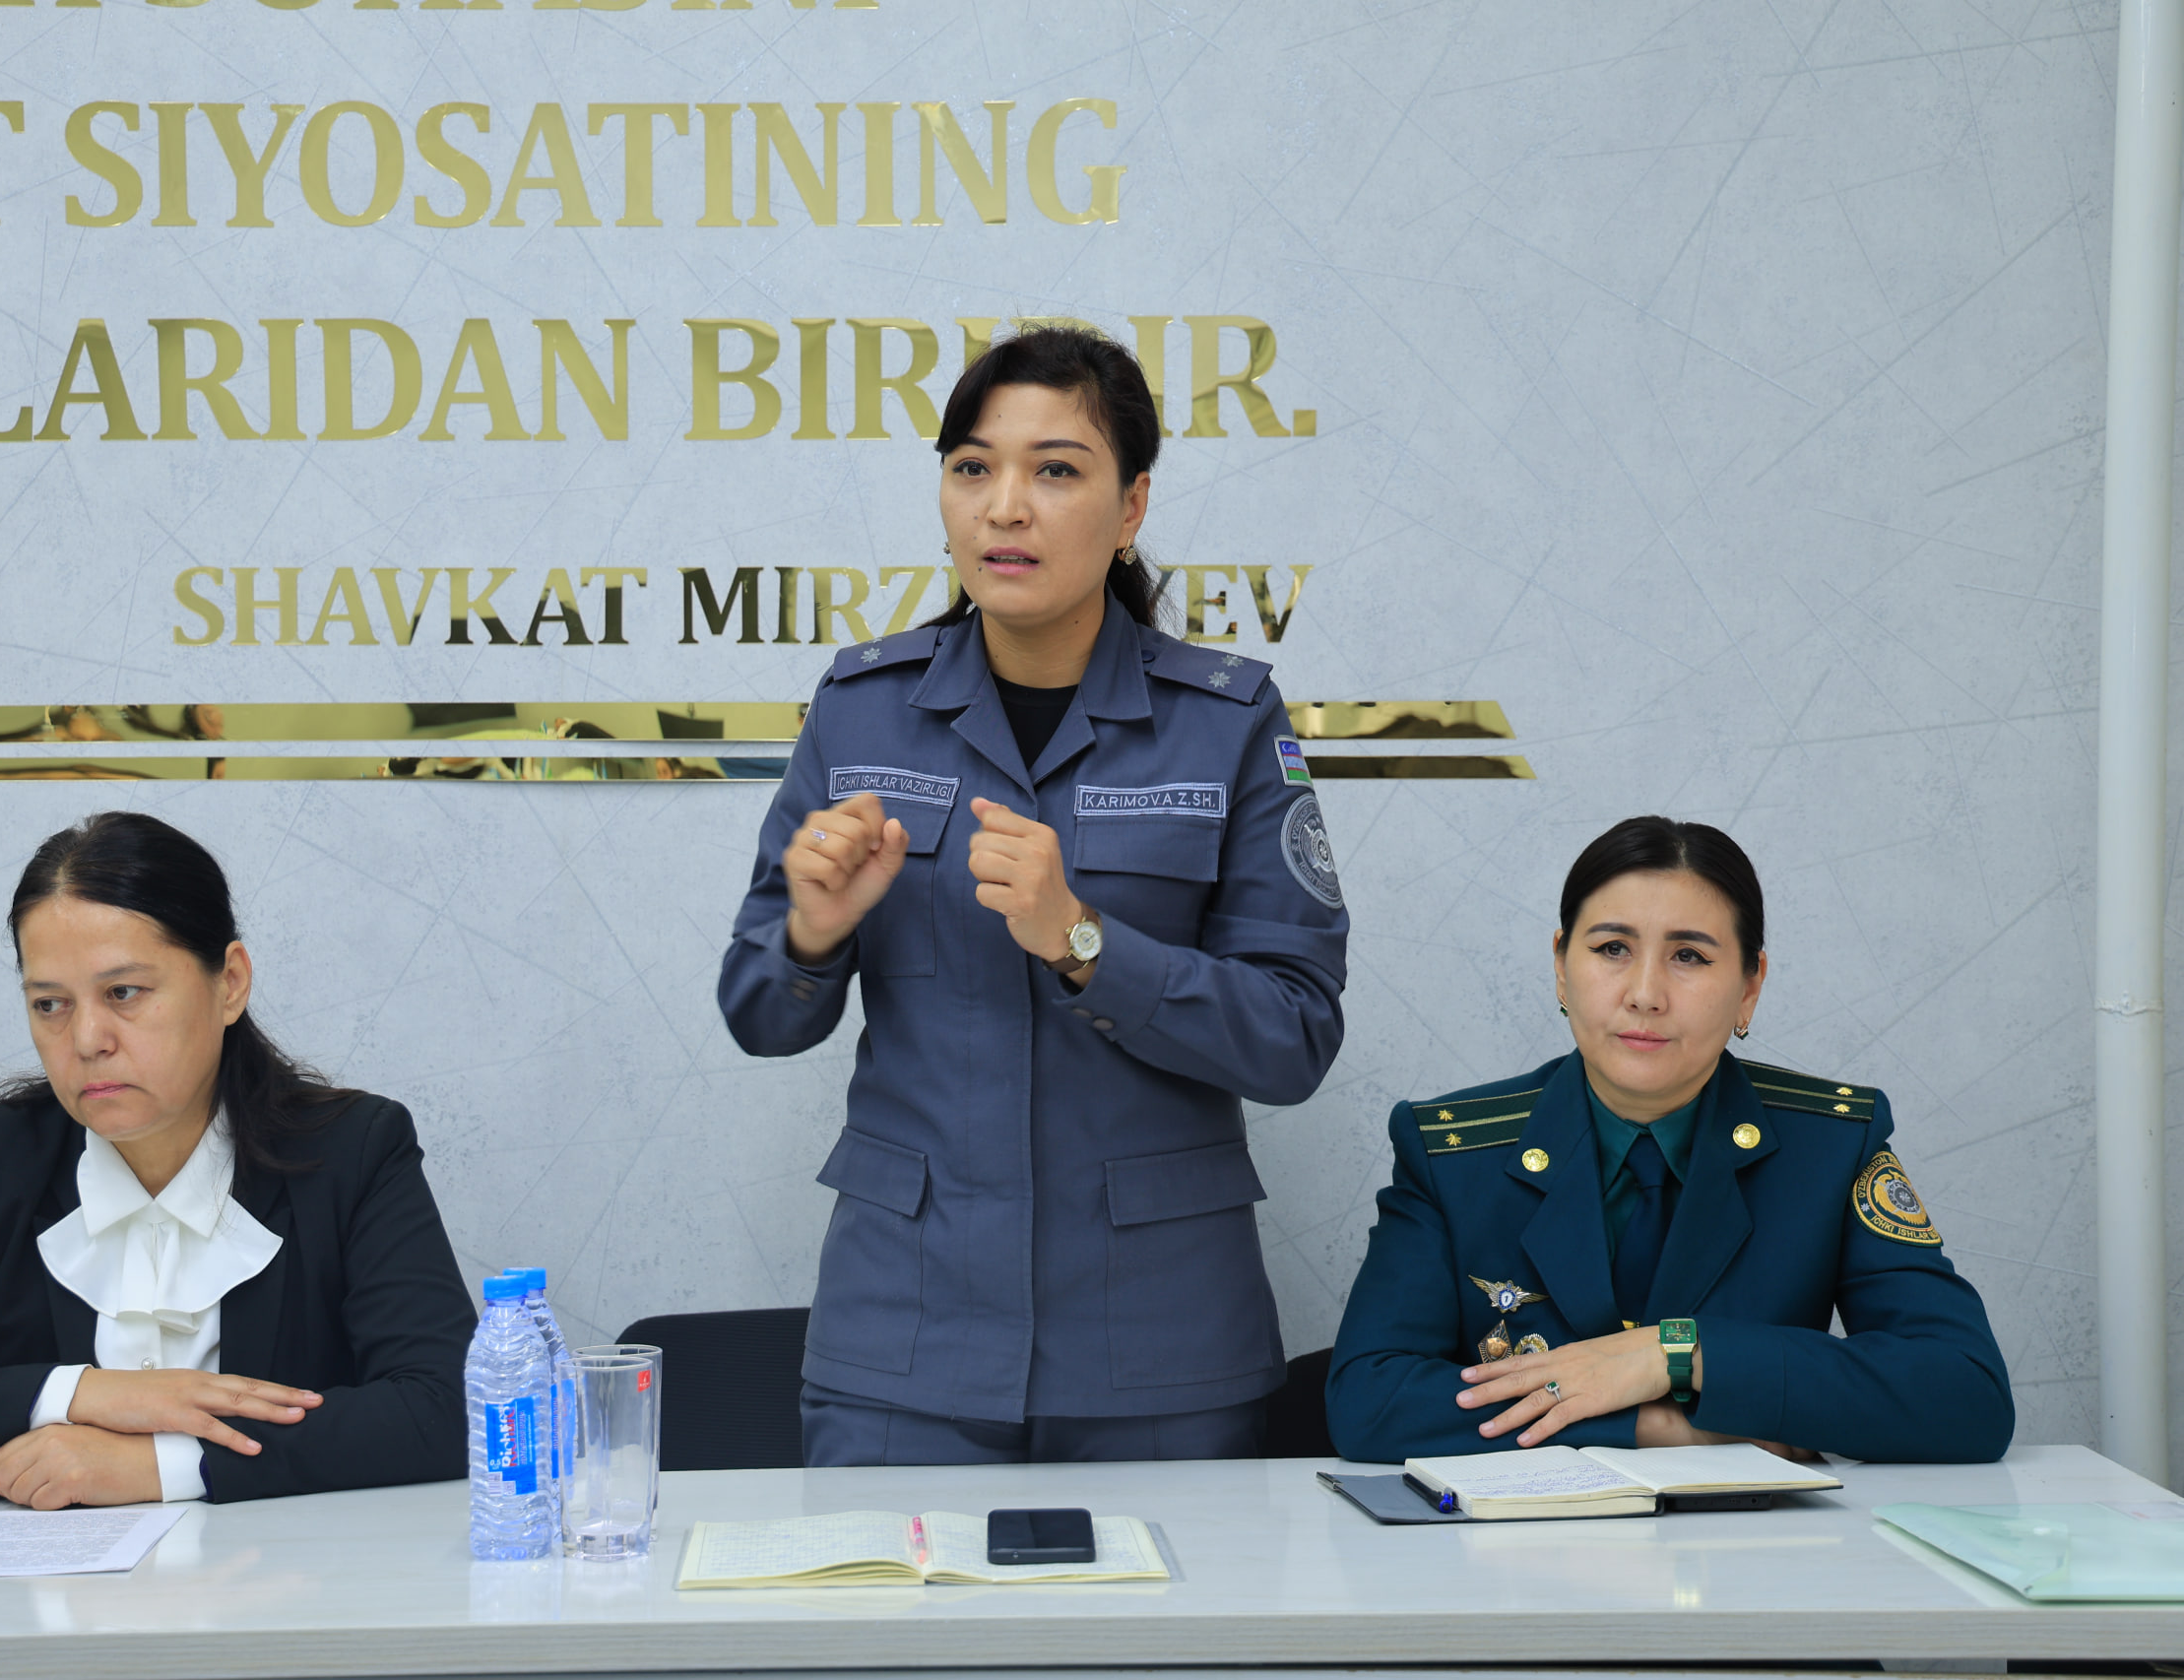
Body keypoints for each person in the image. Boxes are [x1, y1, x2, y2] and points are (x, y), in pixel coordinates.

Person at [719, 326, 1353, 1466]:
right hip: (904, 1347)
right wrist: (811, 930)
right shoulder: (863, 706)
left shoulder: (1228, 720)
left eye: (1055, 469)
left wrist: (1084, 938)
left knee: (1159, 1652)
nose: (1004, 505)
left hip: (1158, 1348)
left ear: (1130, 508)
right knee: (899, 1647)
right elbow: (760, 1013)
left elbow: (1295, 1035)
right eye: (972, 467)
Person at [0, 811, 477, 1507]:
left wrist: (163, 1466)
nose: (86, 1039)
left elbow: (450, 1409)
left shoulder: (353, 1149)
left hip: (275, 1598)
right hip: (43, 1608)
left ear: (229, 982)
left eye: (124, 993)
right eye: (50, 1004)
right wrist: (85, 1394)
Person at [1325, 815, 2013, 1463]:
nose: (1646, 993)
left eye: (1689, 955)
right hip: (1513, 1566)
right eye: (1612, 949)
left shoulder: (1830, 1145)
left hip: (1758, 1563)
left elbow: (1965, 1393)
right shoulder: (1452, 1153)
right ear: (1562, 967)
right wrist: (1653, 1426)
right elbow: (1368, 1400)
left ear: (1750, 986)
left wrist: (1675, 1354)